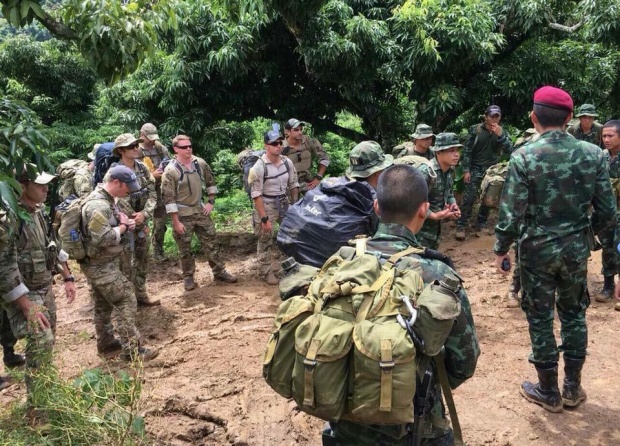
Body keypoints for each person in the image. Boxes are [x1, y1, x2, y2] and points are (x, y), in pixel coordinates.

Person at [324, 164, 479, 445]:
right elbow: (464, 362)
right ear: (424, 209)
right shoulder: (437, 274)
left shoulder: (342, 262)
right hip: (415, 425)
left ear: (376, 207)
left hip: (345, 423)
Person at [494, 86, 617, 413]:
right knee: (574, 312)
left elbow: (511, 211)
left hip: (535, 249)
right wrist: (589, 235)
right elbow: (607, 212)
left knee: (540, 315)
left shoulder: (523, 156)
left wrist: (501, 248)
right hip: (576, 248)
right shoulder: (593, 155)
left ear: (534, 118)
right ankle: (573, 389)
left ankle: (548, 391)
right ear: (570, 118)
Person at [11, 169, 76, 416]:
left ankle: (46, 392)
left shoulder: (37, 212)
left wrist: (68, 276)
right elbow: (4, 265)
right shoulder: (11, 218)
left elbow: (53, 247)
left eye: (47, 186)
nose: (46, 190)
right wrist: (26, 305)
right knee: (41, 341)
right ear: (23, 185)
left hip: (44, 287)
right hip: (25, 293)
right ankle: (38, 412)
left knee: (48, 343)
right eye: (40, 186)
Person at [80, 165, 159, 361]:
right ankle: (132, 351)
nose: (129, 191)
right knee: (126, 298)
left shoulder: (107, 201)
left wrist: (124, 223)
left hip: (100, 262)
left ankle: (106, 344)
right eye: (127, 187)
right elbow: (103, 238)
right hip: (100, 265)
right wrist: (123, 227)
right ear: (116, 182)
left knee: (102, 304)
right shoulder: (97, 205)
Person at [161, 135, 237, 291]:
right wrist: (175, 222)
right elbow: (169, 199)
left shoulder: (200, 163)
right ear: (176, 149)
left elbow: (211, 182)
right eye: (184, 147)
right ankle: (188, 277)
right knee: (184, 249)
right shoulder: (170, 171)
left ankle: (219, 271)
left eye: (190, 146)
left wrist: (211, 201)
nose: (188, 149)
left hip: (200, 210)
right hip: (182, 214)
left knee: (212, 243)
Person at [113, 133, 160, 306]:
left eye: (136, 145)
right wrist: (132, 217)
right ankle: (127, 300)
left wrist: (144, 214)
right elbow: (113, 200)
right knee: (124, 264)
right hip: (124, 226)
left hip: (142, 222)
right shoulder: (114, 172)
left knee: (142, 260)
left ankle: (140, 294)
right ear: (121, 150)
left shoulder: (143, 168)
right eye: (131, 146)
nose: (136, 148)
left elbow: (152, 193)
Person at [248, 127, 299, 285]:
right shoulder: (258, 167)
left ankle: (292, 266)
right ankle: (267, 271)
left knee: (292, 234)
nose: (278, 145)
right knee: (265, 239)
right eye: (274, 143)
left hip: (284, 202)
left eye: (280, 142)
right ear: (266, 146)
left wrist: (295, 207)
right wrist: (264, 219)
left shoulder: (287, 162)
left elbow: (293, 184)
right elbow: (256, 195)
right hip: (267, 204)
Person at [456, 105, 513, 240]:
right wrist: (466, 170)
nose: (494, 119)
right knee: (469, 198)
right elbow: (467, 151)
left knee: (489, 198)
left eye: (497, 116)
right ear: (485, 117)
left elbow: (510, 151)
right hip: (475, 168)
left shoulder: (501, 132)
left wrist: (501, 136)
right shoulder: (476, 130)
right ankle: (461, 225)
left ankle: (481, 224)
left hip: (492, 170)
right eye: (492, 116)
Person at [416, 133, 461, 250]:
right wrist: (433, 215)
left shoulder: (449, 170)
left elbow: (449, 192)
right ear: (438, 152)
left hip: (435, 231)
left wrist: (453, 204)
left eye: (457, 150)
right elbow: (412, 201)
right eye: (451, 150)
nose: (456, 154)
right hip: (418, 232)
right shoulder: (426, 172)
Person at [138, 123, 171, 262]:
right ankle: (140, 256)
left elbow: (169, 164)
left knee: (160, 223)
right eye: (149, 138)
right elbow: (132, 174)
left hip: (159, 190)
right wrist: (152, 175)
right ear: (142, 135)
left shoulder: (160, 148)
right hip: (142, 192)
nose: (152, 141)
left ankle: (158, 251)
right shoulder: (136, 150)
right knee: (140, 224)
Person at [596, 120, 620, 304]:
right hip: (605, 213)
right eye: (604, 135)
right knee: (607, 248)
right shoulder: (600, 157)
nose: (606, 139)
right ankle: (608, 285)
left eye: (610, 135)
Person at [282, 118, 330, 194]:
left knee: (318, 202)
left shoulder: (309, 142)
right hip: (289, 184)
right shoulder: (280, 146)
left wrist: (318, 177)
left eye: (301, 129)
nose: (300, 132)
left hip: (308, 180)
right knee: (291, 205)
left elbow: (324, 158)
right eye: (296, 130)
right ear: (288, 132)